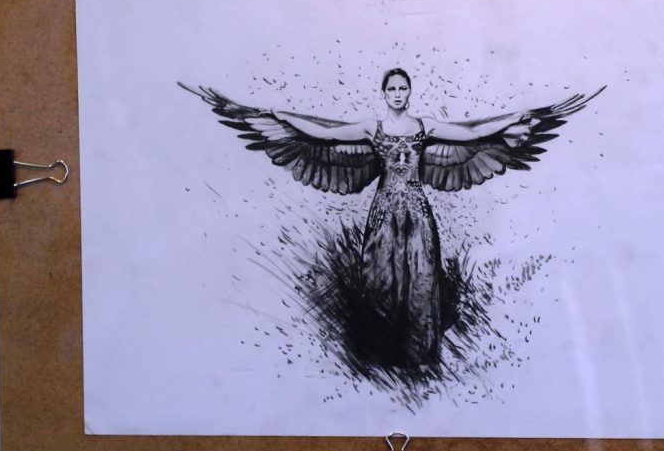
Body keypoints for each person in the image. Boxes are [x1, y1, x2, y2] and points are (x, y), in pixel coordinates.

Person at [180, 70, 601, 371]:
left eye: (403, 88)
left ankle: (418, 357)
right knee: (380, 275)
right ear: (384, 93)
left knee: (420, 276)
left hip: (416, 212)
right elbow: (325, 135)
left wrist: (521, 118)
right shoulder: (371, 127)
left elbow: (474, 135)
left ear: (409, 92)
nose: (398, 94)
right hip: (384, 211)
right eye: (392, 89)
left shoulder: (426, 126)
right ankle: (381, 355)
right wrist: (279, 117)